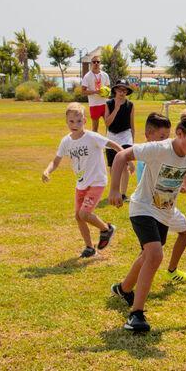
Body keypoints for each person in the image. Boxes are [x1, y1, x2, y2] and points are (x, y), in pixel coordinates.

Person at [108, 106, 186, 332]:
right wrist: (115, 189)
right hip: (142, 207)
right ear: (179, 133)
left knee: (148, 254)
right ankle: (135, 314)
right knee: (155, 254)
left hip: (164, 212)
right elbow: (121, 156)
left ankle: (124, 289)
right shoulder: (159, 148)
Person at [42, 102, 121, 258]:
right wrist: (47, 170)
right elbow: (56, 161)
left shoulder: (92, 137)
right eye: (71, 121)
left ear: (84, 121)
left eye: (78, 121)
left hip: (97, 182)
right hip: (81, 184)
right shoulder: (66, 141)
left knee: (84, 214)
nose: (75, 124)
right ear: (66, 121)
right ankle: (89, 248)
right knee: (79, 216)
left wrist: (127, 160)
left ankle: (107, 229)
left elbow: (113, 145)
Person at [137, 112, 186, 283]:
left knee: (185, 231)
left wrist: (179, 185)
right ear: (148, 135)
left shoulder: (165, 151)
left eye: (167, 136)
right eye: (162, 137)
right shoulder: (149, 155)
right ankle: (130, 285)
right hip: (151, 208)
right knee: (149, 253)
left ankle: (171, 270)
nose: (166, 141)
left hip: (167, 206)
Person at [104, 79, 136, 200]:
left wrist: (132, 140)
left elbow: (132, 125)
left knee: (124, 165)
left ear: (127, 92)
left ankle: (123, 194)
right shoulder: (109, 103)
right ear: (115, 90)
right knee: (113, 167)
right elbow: (107, 123)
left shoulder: (130, 105)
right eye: (119, 90)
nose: (122, 92)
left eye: (124, 90)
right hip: (112, 135)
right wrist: (116, 109)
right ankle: (114, 191)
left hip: (125, 135)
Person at [80, 56, 110, 134]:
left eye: (98, 62)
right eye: (94, 62)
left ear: (100, 63)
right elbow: (83, 91)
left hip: (105, 103)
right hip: (94, 105)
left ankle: (109, 144)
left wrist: (106, 94)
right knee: (95, 128)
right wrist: (95, 92)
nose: (96, 63)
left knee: (109, 125)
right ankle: (94, 145)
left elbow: (108, 89)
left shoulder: (105, 75)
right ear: (91, 64)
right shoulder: (87, 76)